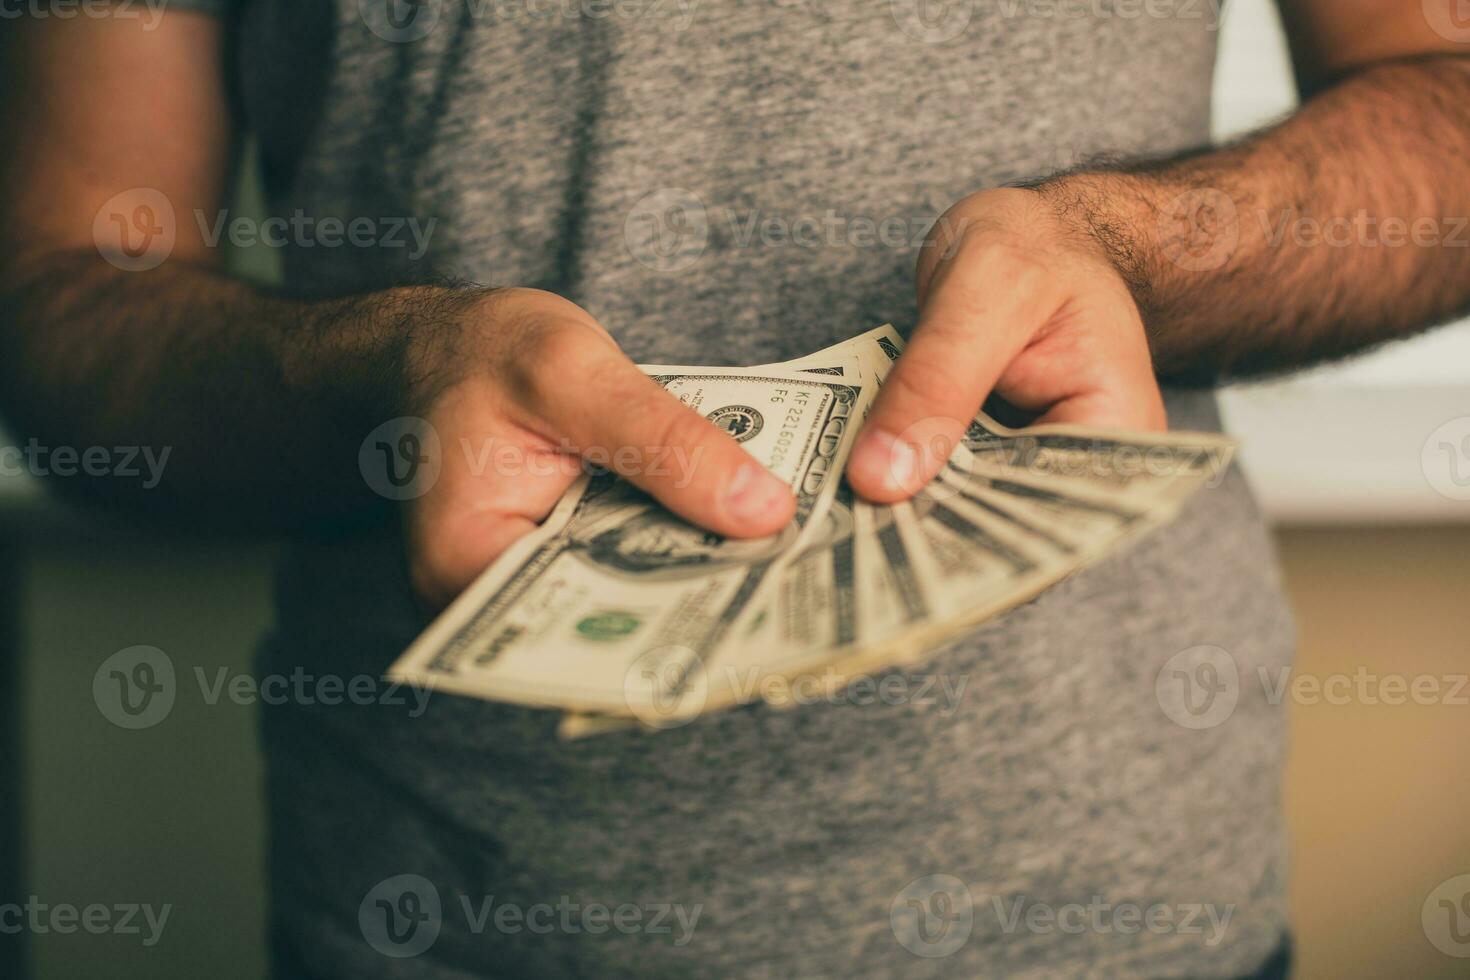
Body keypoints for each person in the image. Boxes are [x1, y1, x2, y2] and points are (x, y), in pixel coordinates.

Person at [2, 1, 1466, 975]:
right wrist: (380, 374)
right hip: (440, 913)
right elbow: (60, 296)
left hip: (1121, 913)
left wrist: (1145, 248)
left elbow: (1443, 102)